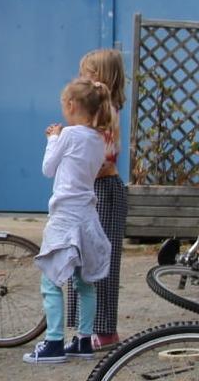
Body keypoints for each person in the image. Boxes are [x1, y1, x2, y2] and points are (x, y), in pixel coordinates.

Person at [24, 78, 114, 364]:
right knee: (84, 281)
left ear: (71, 105)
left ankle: (53, 342)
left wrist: (53, 138)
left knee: (51, 279)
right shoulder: (98, 138)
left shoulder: (69, 135)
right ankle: (83, 340)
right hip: (88, 216)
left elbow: (48, 168)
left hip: (65, 215)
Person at [66, 49, 128, 351]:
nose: (81, 79)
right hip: (94, 189)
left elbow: (105, 158)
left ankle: (102, 328)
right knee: (86, 256)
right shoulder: (100, 115)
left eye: (86, 73)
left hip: (103, 189)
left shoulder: (107, 116)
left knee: (100, 258)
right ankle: (87, 325)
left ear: (101, 78)